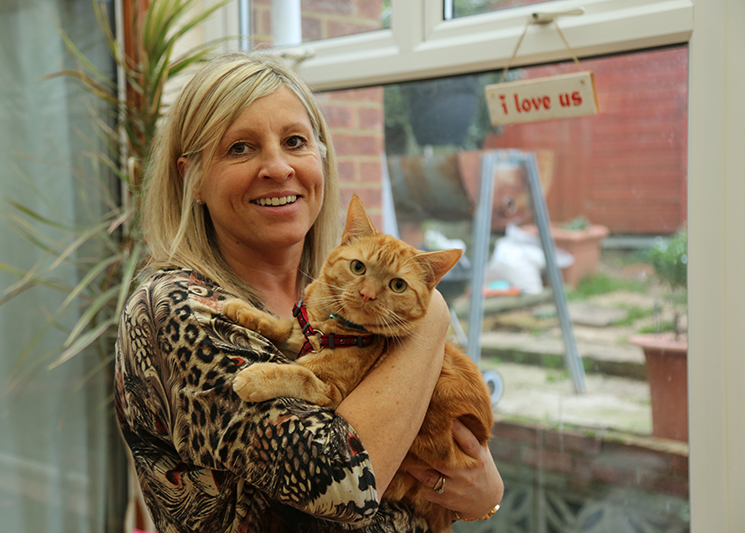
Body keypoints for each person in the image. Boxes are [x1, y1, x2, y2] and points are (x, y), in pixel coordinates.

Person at [115, 51, 503, 533]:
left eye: (295, 141)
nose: (278, 168)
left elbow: (453, 460)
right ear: (190, 178)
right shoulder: (173, 309)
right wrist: (433, 317)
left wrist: (484, 496)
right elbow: (342, 482)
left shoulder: (331, 299)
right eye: (240, 148)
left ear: (321, 157)